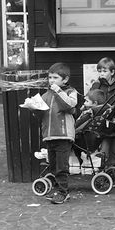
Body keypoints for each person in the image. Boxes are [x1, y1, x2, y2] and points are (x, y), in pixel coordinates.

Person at [39, 62, 78, 204]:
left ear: (65, 80)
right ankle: (57, 189)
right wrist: (32, 107)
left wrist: (58, 91)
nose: (51, 81)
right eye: (50, 77)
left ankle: (64, 192)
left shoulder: (70, 92)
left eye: (55, 78)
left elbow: (69, 105)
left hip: (63, 135)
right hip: (49, 135)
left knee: (62, 166)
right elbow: (40, 111)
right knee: (54, 165)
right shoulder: (46, 94)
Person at [89, 57, 115, 169]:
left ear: (112, 72)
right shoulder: (96, 86)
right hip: (102, 122)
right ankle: (103, 170)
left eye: (104, 71)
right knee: (104, 147)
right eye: (99, 71)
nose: (101, 74)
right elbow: (91, 101)